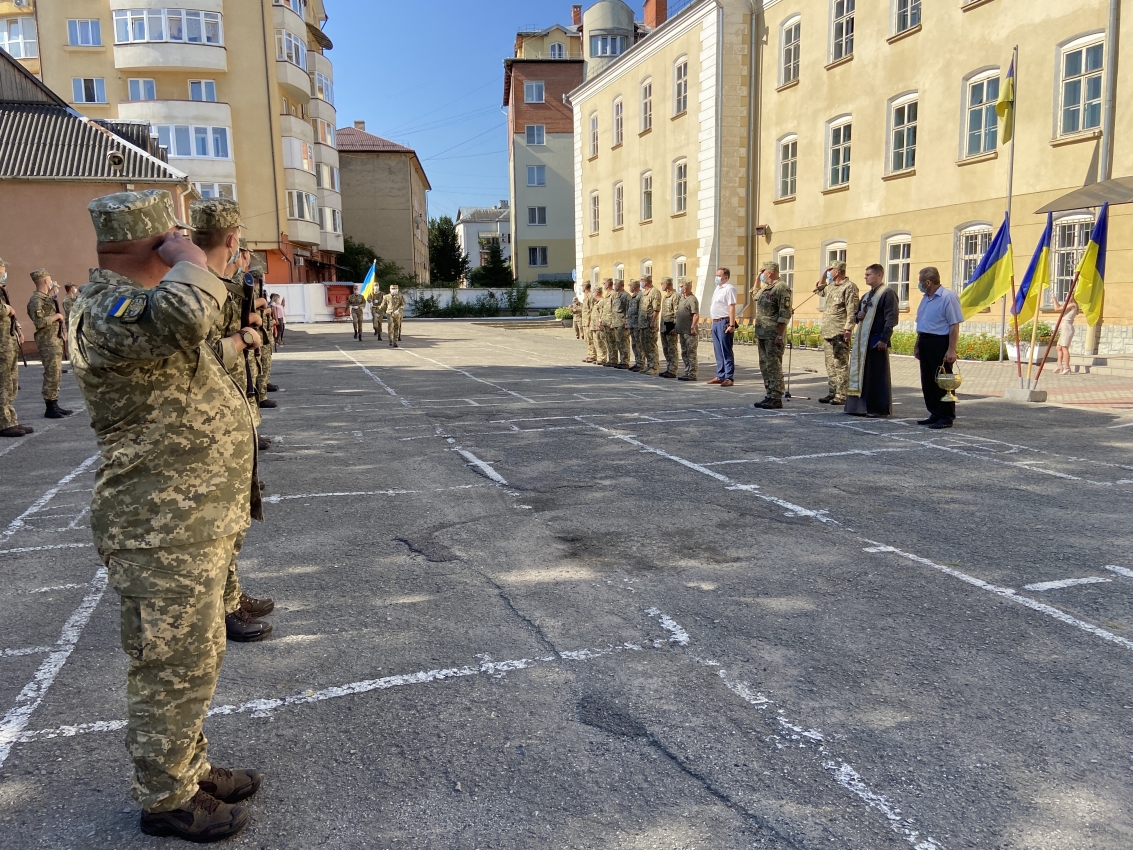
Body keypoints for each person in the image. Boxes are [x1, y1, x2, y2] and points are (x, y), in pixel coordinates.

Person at [71, 189, 262, 842]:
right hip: (157, 528)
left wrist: (206, 267)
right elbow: (189, 312)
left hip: (188, 522)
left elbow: (209, 333)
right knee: (168, 667)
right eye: (172, 240)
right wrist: (188, 256)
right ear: (155, 247)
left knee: (196, 658)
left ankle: (189, 766)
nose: (185, 249)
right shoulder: (110, 307)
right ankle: (166, 798)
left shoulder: (145, 309)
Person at [189, 199, 276, 643]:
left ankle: (231, 596)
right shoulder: (200, 288)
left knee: (232, 519)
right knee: (216, 525)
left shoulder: (211, 284)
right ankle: (219, 612)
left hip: (225, 413)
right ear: (230, 238)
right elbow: (192, 358)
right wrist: (243, 339)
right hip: (205, 420)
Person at [846, 264, 898, 418]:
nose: (865, 277)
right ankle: (859, 407)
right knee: (864, 375)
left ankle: (878, 408)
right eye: (865, 274)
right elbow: (857, 315)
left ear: (879, 275)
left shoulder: (887, 293)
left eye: (868, 274)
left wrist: (884, 339)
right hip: (863, 341)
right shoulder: (867, 296)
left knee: (876, 376)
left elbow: (891, 318)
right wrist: (858, 316)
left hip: (876, 340)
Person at [913, 266, 962, 429]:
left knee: (943, 381)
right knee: (928, 381)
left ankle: (946, 416)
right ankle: (934, 412)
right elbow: (922, 323)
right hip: (925, 340)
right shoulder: (925, 298)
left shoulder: (948, 297)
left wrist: (951, 349)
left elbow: (954, 325)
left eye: (920, 282)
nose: (919, 285)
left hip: (940, 342)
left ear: (928, 282)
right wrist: (918, 344)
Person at [27, 269, 73, 418]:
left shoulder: (47, 298)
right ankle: (50, 407)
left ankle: (55, 403)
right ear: (46, 281)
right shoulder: (36, 300)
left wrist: (62, 330)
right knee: (51, 373)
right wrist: (56, 317)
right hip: (47, 341)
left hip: (55, 339)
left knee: (57, 373)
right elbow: (39, 321)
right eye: (50, 279)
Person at [814, 261, 859, 405]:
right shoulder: (831, 286)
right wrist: (823, 276)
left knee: (840, 364)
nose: (828, 271)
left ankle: (842, 394)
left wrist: (848, 329)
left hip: (840, 332)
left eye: (830, 269)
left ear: (837, 271)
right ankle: (832, 392)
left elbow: (852, 310)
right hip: (828, 331)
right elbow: (819, 290)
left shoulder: (849, 287)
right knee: (830, 364)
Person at [753, 261, 792, 409]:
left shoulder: (781, 288)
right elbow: (754, 295)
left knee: (774, 366)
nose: (761, 275)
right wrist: (757, 277)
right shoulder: (766, 288)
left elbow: (784, 313)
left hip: (773, 334)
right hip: (762, 333)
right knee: (765, 365)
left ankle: (776, 397)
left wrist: (780, 335)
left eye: (762, 272)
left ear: (769, 273)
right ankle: (769, 394)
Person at [0, 258, 31, 437]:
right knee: (3, 384)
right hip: (1, 344)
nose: (4, 273)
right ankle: (4, 423)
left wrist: (18, 329)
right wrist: (7, 309)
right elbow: (6, 310)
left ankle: (11, 419)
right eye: (2, 270)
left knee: (11, 384)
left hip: (8, 342)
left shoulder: (2, 290)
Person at [708, 267, 738, 387]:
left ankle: (728, 377)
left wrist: (731, 324)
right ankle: (720, 375)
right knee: (718, 351)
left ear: (726, 277)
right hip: (715, 322)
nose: (716, 278)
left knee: (726, 350)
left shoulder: (729, 289)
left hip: (724, 321)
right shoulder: (718, 288)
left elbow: (731, 307)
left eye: (719, 275)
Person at [675, 277, 699, 382]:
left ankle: (692, 374)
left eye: (682, 286)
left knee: (691, 353)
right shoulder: (682, 298)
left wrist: (693, 327)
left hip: (689, 331)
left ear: (686, 287)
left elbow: (696, 315)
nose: (680, 288)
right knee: (684, 352)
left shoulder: (692, 299)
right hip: (682, 330)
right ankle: (687, 371)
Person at [639, 276, 661, 376]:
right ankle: (649, 364)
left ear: (645, 282)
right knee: (644, 345)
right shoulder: (644, 293)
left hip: (650, 324)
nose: (640, 283)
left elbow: (656, 309)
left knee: (651, 345)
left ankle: (654, 366)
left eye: (641, 281)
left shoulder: (655, 292)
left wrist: (653, 321)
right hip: (643, 324)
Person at [1052, 294, 1079, 374]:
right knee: (1058, 347)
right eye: (1066, 295)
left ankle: (1067, 367)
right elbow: (1060, 307)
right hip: (1064, 327)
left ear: (1072, 296)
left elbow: (1057, 309)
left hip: (1067, 327)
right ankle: (1059, 365)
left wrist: (1054, 300)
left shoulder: (1072, 305)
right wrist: (1055, 300)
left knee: (1064, 348)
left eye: (1068, 295)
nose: (1066, 297)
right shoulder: (1068, 305)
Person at [659, 277, 680, 378]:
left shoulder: (675, 296)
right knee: (666, 348)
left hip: (671, 325)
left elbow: (677, 312)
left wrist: (676, 327)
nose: (661, 285)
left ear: (667, 284)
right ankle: (668, 368)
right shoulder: (666, 296)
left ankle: (673, 370)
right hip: (664, 325)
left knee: (672, 348)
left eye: (662, 283)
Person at [626, 280, 643, 369]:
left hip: (637, 324)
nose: (629, 288)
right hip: (632, 324)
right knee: (634, 344)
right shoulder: (633, 296)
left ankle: (641, 363)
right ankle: (637, 362)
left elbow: (641, 310)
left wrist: (640, 323)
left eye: (630, 286)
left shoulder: (640, 296)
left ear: (634, 287)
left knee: (638, 344)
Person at [589, 284, 608, 365]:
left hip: (599, 325)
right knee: (596, 342)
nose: (593, 294)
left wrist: (600, 323)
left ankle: (602, 358)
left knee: (601, 342)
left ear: (597, 293)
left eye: (593, 292)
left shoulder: (602, 301)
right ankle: (599, 357)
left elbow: (602, 313)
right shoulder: (596, 302)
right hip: (594, 325)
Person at [580, 283, 596, 362]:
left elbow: (592, 310)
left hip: (588, 322)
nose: (581, 288)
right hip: (585, 322)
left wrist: (590, 321)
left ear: (586, 287)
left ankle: (593, 355)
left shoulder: (591, 296)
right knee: (587, 339)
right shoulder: (585, 297)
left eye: (582, 286)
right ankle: (590, 354)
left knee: (590, 339)